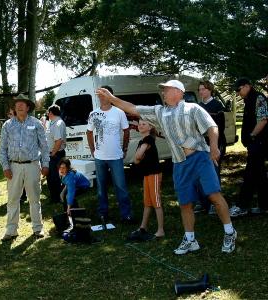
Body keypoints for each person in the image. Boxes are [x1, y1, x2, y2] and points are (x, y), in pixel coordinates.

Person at [96, 79, 237, 254]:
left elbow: (212, 127)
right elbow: (132, 108)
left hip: (200, 157)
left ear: (178, 91)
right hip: (179, 163)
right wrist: (111, 98)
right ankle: (190, 239)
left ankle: (230, 232)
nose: (163, 92)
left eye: (166, 89)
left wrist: (214, 147)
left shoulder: (193, 108)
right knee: (185, 203)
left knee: (214, 196)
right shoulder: (159, 112)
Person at [0, 94, 50, 241]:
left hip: (33, 166)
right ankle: (11, 230)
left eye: (23, 103)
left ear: (28, 107)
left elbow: (45, 147)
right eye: (17, 103)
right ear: (14, 107)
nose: (20, 105)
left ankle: (37, 229)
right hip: (14, 167)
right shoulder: (7, 125)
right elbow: (2, 149)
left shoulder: (36, 124)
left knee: (34, 199)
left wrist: (45, 164)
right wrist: (5, 167)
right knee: (13, 200)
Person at [86, 85, 134, 224]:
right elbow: (89, 132)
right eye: (99, 94)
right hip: (100, 157)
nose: (101, 97)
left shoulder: (119, 112)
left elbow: (126, 130)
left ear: (110, 96)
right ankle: (103, 214)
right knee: (101, 187)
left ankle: (126, 215)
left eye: (104, 94)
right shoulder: (93, 114)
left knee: (121, 187)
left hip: (116, 157)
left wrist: (124, 148)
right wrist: (92, 149)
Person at [230, 78, 268, 217]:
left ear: (247, 86)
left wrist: (252, 136)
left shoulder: (259, 98)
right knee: (260, 175)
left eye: (238, 89)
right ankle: (264, 206)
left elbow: (263, 119)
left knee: (250, 174)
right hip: (254, 144)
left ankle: (242, 206)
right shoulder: (249, 100)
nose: (237, 92)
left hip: (259, 143)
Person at [128, 120, 164, 241]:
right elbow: (136, 160)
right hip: (146, 174)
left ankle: (161, 230)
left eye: (144, 124)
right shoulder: (141, 141)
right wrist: (139, 155)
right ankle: (143, 227)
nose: (140, 125)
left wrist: (140, 155)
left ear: (150, 127)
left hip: (154, 174)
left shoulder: (148, 139)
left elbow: (138, 156)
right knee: (147, 202)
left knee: (156, 202)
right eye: (140, 124)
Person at [195, 80, 226, 215]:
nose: (202, 92)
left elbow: (220, 128)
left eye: (204, 89)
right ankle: (203, 203)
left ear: (210, 90)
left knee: (214, 173)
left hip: (215, 145)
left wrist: (215, 145)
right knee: (200, 174)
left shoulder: (217, 105)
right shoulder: (198, 106)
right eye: (200, 89)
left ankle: (215, 204)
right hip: (201, 146)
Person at [45, 104, 67, 203]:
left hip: (56, 155)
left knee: (55, 178)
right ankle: (55, 197)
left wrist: (53, 153)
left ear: (50, 113)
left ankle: (57, 198)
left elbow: (58, 141)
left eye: (48, 112)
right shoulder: (54, 122)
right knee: (52, 177)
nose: (47, 114)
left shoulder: (57, 123)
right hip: (54, 154)